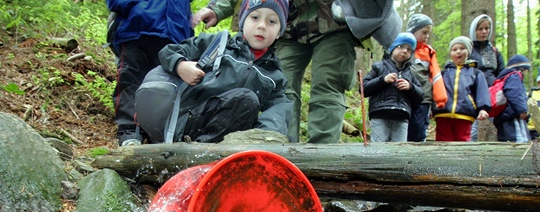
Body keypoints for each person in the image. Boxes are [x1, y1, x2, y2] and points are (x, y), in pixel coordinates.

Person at [193, 0, 402, 143]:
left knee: (329, 87)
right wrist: (217, 8)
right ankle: (286, 154)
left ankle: (323, 161)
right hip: (288, 24)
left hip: (336, 22)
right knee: (280, 89)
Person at [145, 0, 291, 143]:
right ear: (242, 21)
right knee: (246, 99)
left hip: (231, 139)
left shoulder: (274, 77)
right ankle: (201, 151)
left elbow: (276, 117)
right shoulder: (217, 44)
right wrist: (180, 65)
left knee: (248, 104)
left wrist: (264, 139)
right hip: (188, 122)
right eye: (254, 17)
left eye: (272, 21)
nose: (262, 26)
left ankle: (214, 157)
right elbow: (168, 52)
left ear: (279, 32)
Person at [106, 0, 194, 146]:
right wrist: (138, 8)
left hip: (174, 35)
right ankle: (129, 131)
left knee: (166, 87)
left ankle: (157, 133)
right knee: (131, 80)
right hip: (135, 29)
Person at [362, 33, 423, 142]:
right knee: (378, 150)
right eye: (401, 46)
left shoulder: (411, 72)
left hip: (402, 116)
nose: (404, 51)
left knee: (399, 151)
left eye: (409, 49)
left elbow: (420, 97)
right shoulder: (379, 67)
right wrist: (382, 80)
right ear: (393, 48)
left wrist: (410, 87)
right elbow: (364, 89)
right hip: (380, 113)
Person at [433, 36, 490, 142]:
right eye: (454, 49)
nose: (458, 52)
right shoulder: (444, 73)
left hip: (464, 114)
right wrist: (432, 108)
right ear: (450, 53)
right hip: (443, 113)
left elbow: (482, 92)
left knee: (463, 141)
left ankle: (462, 159)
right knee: (443, 141)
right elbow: (436, 90)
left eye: (462, 48)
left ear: (468, 52)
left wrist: (483, 108)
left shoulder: (475, 73)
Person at [405, 14, 447, 142]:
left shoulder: (428, 51)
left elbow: (436, 75)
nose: (427, 36)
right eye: (424, 32)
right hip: (404, 96)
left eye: (428, 33)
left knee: (419, 127)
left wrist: (440, 99)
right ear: (413, 30)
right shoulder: (402, 47)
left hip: (424, 98)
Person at [469, 14, 505, 142]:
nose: (484, 32)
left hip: (491, 97)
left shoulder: (495, 52)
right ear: (474, 30)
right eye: (480, 29)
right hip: (472, 95)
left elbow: (502, 75)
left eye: (487, 28)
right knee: (472, 131)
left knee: (492, 130)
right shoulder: (468, 50)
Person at [492, 55, 531, 143]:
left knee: (505, 141)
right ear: (521, 69)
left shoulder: (505, 77)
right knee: (520, 142)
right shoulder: (514, 76)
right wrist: (522, 110)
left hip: (503, 116)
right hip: (512, 115)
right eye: (526, 70)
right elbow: (514, 93)